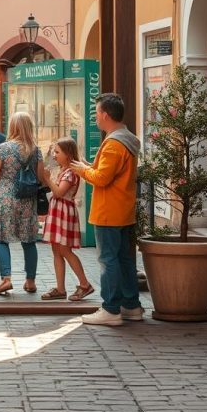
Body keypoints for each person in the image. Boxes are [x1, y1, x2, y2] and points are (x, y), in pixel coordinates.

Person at [70, 92, 143, 326]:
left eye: (97, 113)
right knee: (124, 260)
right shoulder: (127, 139)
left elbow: (102, 178)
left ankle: (111, 309)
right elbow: (109, 172)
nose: (95, 118)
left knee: (108, 260)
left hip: (108, 211)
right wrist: (87, 165)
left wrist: (83, 171)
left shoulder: (113, 143)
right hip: (123, 209)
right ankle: (131, 306)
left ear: (106, 115)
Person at [0, 112, 46, 296]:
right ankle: (30, 281)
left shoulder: (3, 148)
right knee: (29, 240)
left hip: (5, 198)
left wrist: (4, 179)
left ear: (12, 126)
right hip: (27, 199)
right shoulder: (35, 150)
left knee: (1, 238)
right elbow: (41, 177)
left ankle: (6, 279)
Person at [41, 138, 95, 301]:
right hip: (58, 211)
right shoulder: (64, 170)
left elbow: (59, 193)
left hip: (63, 212)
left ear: (68, 154)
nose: (54, 155)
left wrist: (47, 179)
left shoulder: (71, 172)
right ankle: (60, 288)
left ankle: (85, 284)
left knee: (65, 250)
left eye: (57, 152)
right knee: (56, 250)